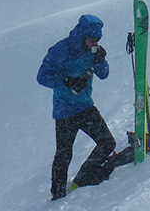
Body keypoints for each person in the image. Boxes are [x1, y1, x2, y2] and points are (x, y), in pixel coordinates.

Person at [37, 14, 116, 201]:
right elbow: (42, 77)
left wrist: (100, 60)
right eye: (90, 40)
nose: (93, 44)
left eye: (96, 41)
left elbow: (104, 74)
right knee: (64, 154)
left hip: (86, 107)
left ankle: (82, 179)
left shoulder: (92, 52)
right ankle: (57, 196)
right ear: (81, 36)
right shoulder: (60, 50)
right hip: (64, 112)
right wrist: (66, 81)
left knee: (107, 143)